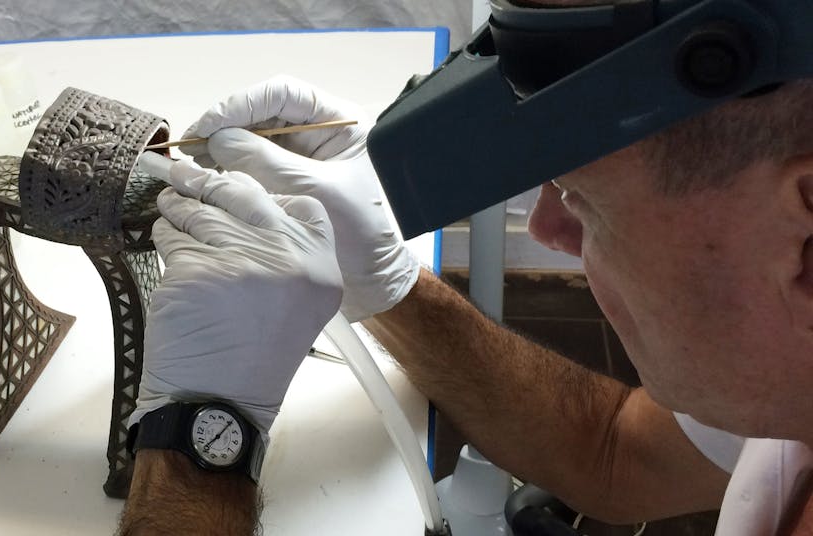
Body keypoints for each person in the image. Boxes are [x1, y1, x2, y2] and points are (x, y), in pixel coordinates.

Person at [117, 6, 813, 536]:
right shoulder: (784, 386)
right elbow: (616, 455)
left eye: (586, 201)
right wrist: (390, 284)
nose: (548, 229)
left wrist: (197, 434)